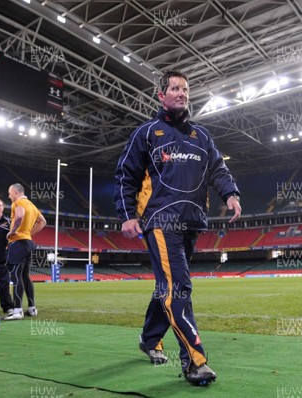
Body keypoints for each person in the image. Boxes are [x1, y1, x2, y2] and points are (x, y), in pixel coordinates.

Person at [114, 70, 241, 386]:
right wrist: (128, 215)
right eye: (174, 88)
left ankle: (149, 338)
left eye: (185, 88)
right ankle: (195, 361)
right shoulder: (147, 133)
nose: (182, 93)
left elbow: (218, 169)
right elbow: (126, 177)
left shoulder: (203, 136)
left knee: (167, 287)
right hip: (160, 221)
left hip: (192, 222)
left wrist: (231, 193)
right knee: (179, 288)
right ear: (162, 95)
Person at [4, 183, 46, 320]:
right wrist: (29, 233)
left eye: (10, 193)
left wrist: (12, 231)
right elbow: (43, 222)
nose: (9, 195)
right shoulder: (32, 205)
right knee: (25, 276)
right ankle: (32, 308)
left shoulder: (18, 203)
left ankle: (17, 311)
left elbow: (20, 215)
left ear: (16, 192)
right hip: (28, 242)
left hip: (17, 243)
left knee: (16, 276)